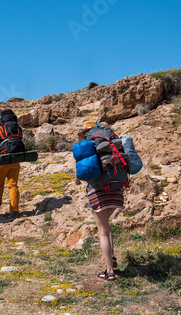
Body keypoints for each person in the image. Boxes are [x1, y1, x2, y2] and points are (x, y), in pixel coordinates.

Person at [75, 120, 123, 281]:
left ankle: (109, 271)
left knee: (103, 232)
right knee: (107, 227)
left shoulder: (87, 148)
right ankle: (113, 257)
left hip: (98, 192)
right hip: (117, 190)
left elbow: (79, 176)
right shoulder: (109, 142)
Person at [0, 116, 21, 218]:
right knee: (13, 186)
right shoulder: (12, 130)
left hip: (1, 162)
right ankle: (14, 210)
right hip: (15, 160)